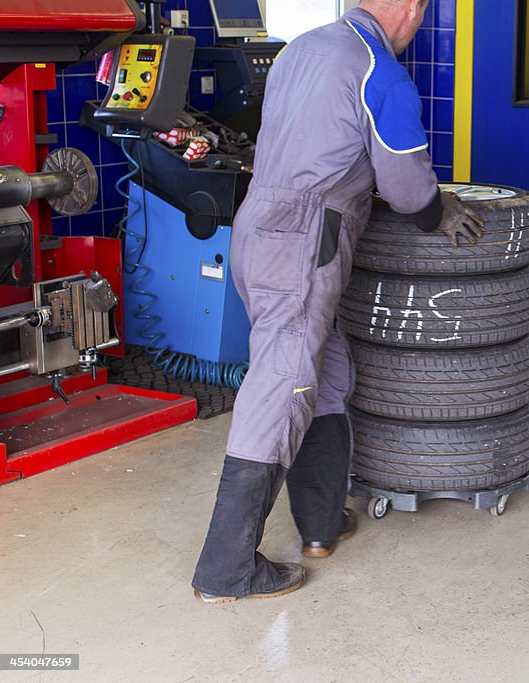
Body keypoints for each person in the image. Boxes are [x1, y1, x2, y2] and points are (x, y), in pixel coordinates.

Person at [191, 0, 483, 603]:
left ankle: (320, 526)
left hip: (257, 229)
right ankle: (225, 569)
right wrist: (439, 211)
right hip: (303, 244)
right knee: (282, 386)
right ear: (412, 8)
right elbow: (405, 186)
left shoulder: (304, 46)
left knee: (323, 372)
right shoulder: (377, 68)